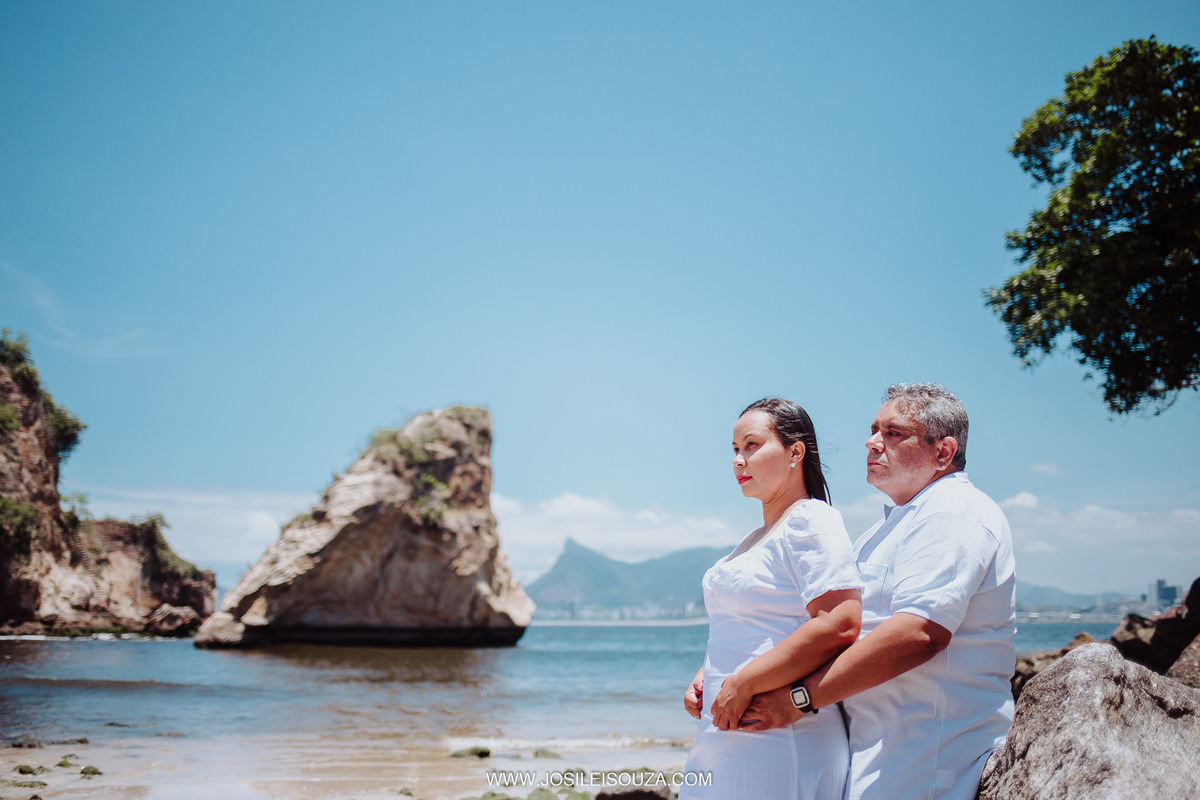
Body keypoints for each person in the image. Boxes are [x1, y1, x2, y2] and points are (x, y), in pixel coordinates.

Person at [737, 383, 1016, 800]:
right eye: (873, 429)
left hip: (931, 758)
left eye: (894, 433)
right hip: (879, 751)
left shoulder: (955, 512)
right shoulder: (884, 529)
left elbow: (919, 633)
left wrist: (797, 699)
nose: (872, 442)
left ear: (943, 452)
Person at [679, 398, 863, 800]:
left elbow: (840, 622)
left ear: (795, 451)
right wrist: (706, 675)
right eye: (734, 450)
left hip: (780, 739)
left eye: (752, 445)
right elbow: (757, 624)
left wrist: (743, 681)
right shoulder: (756, 538)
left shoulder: (811, 519)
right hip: (728, 736)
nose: (738, 461)